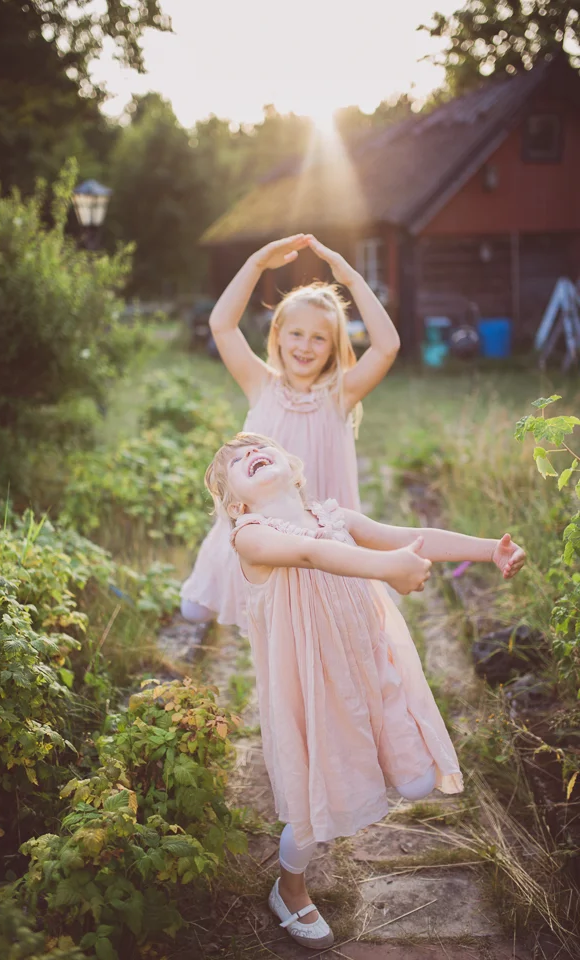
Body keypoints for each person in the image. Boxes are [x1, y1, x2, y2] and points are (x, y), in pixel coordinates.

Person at [205, 432, 526, 951]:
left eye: (257, 448)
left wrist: (489, 549)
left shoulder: (337, 518)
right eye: (238, 462)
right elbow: (310, 555)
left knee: (420, 781)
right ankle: (290, 888)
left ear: (292, 466)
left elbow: (409, 534)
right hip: (312, 687)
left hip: (368, 662)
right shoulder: (251, 536)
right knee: (316, 805)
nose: (249, 455)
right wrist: (389, 568)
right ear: (237, 502)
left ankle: (374, 767)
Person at [181, 233, 401, 628]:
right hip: (263, 532)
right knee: (197, 609)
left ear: (333, 349)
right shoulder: (260, 384)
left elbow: (387, 347)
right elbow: (222, 325)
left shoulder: (340, 394)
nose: (306, 346)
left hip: (317, 538)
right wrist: (257, 263)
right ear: (278, 335)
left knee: (322, 622)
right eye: (296, 334)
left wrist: (351, 278)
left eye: (319, 338)